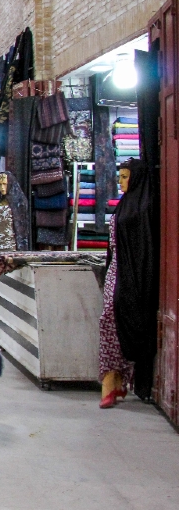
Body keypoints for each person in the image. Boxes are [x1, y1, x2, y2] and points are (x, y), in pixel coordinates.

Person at [98, 159, 159, 407]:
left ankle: (117, 381)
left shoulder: (144, 207)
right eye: (120, 177)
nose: (121, 182)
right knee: (109, 321)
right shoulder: (126, 204)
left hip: (131, 275)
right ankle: (112, 382)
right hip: (117, 271)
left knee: (114, 319)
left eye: (125, 177)